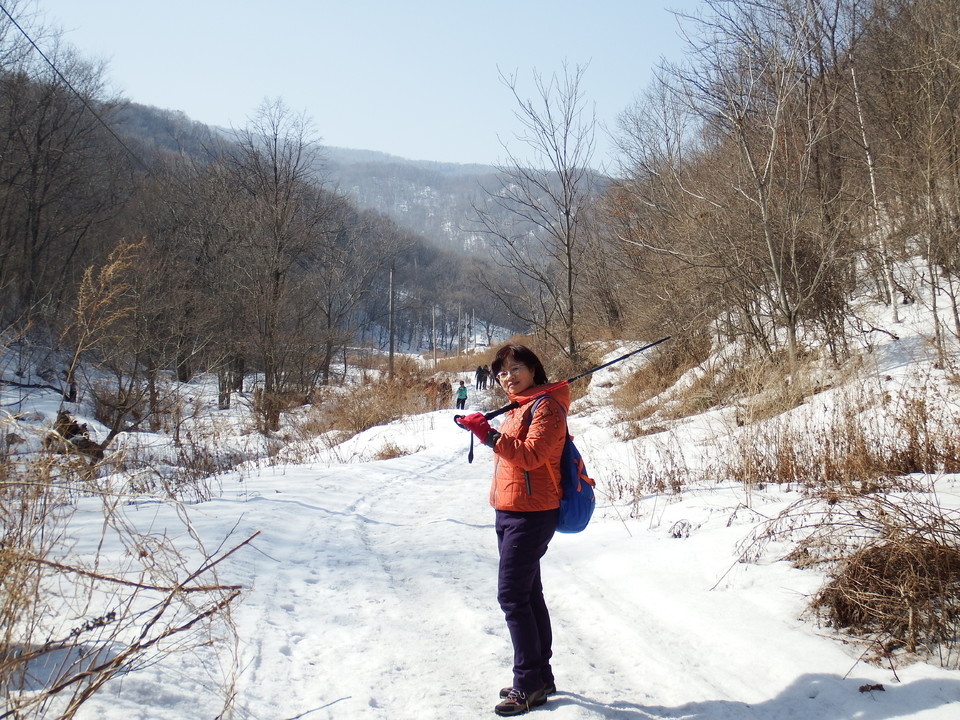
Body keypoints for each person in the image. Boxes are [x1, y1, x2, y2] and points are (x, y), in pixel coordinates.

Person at [455, 344, 567, 716]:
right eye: (502, 372)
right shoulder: (522, 405)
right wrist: (484, 429)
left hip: (532, 513)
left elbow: (532, 456)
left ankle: (527, 684)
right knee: (529, 594)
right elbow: (513, 453)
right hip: (509, 509)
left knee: (512, 597)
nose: (509, 376)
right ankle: (542, 677)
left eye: (516, 368)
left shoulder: (547, 407)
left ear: (534, 368)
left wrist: (488, 436)